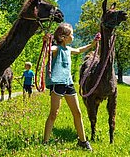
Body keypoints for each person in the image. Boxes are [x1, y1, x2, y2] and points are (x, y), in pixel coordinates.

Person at [43, 23, 100, 151]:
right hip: (57, 83)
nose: (73, 37)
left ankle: (83, 141)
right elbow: (48, 50)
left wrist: (92, 44)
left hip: (68, 83)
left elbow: (79, 50)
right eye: (71, 34)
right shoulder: (56, 49)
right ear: (63, 37)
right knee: (54, 114)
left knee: (77, 113)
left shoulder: (68, 50)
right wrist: (46, 42)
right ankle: (45, 142)